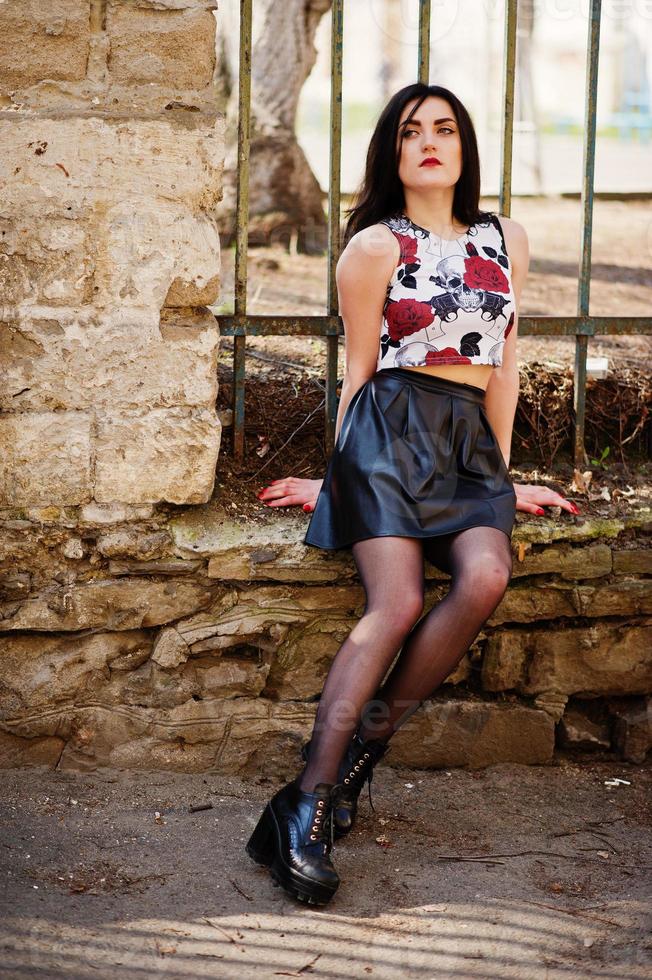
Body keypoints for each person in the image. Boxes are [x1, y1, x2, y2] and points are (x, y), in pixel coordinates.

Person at [246, 82, 579, 907]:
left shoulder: (507, 238)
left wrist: (500, 479)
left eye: (444, 129)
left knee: (485, 577)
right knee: (393, 604)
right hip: (390, 435)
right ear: (393, 153)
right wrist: (341, 476)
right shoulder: (372, 247)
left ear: (464, 147)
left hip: (466, 446)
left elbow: (501, 367)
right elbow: (358, 374)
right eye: (410, 132)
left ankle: (366, 748)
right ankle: (309, 802)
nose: (429, 142)